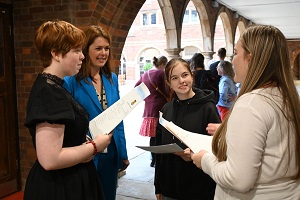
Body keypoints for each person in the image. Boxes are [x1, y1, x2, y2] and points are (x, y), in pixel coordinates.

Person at [191, 24, 300, 199]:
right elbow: (274, 144)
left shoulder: (251, 103)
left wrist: (204, 160)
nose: (233, 60)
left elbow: (238, 179)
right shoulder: (286, 96)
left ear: (250, 58)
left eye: (236, 53)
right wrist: (230, 132)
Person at [24, 20, 113, 200]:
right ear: (56, 53)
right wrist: (94, 146)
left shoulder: (56, 85)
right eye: (76, 51)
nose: (82, 56)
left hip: (71, 179)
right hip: (60, 186)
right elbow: (50, 159)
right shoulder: (48, 91)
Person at [64, 25, 129, 200]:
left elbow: (118, 118)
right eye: (98, 48)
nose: (103, 53)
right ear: (86, 50)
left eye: (106, 48)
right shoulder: (71, 81)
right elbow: (68, 121)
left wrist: (123, 153)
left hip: (111, 151)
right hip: (86, 154)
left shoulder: (112, 78)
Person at [154, 58, 221, 200]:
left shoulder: (207, 107)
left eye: (185, 75)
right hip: (169, 186)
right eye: (175, 78)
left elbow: (218, 148)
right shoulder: (166, 110)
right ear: (168, 83)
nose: (181, 81)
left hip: (199, 186)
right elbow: (159, 151)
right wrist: (158, 185)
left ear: (192, 75)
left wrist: (193, 154)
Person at [135, 56, 169, 168]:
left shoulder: (145, 74)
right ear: (163, 64)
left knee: (153, 137)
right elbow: (166, 90)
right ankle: (159, 159)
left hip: (149, 109)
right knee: (160, 136)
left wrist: (147, 98)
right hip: (161, 108)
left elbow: (136, 87)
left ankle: (153, 159)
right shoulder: (161, 74)